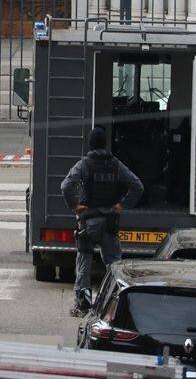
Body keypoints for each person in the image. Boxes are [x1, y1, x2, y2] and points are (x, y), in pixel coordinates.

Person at [61, 126, 144, 317]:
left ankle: (82, 306)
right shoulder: (116, 164)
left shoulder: (84, 165)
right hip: (109, 223)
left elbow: (66, 186)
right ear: (105, 144)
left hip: (88, 223)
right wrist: (121, 205)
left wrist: (74, 206)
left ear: (90, 144)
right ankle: (117, 306)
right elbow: (137, 186)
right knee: (114, 266)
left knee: (84, 264)